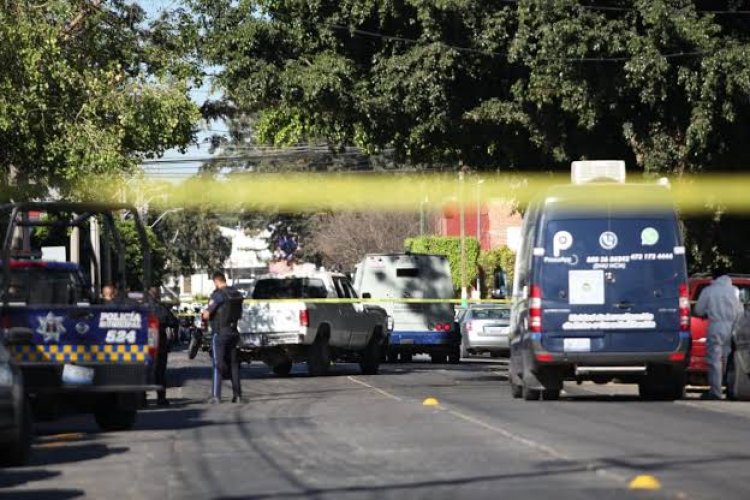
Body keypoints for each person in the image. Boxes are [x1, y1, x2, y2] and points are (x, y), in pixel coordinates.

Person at [695, 269, 744, 400]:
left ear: (714, 277)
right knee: (729, 360)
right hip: (733, 326)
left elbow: (698, 310)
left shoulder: (709, 291)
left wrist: (707, 312)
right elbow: (741, 311)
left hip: (716, 325)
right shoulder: (735, 291)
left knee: (714, 360)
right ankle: (731, 389)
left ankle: (715, 391)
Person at [202, 272, 244, 404]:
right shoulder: (236, 293)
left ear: (216, 281)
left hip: (220, 333)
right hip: (234, 332)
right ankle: (237, 396)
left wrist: (204, 313)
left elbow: (208, 314)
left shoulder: (219, 295)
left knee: (217, 363)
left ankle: (216, 396)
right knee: (234, 364)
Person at [149, 286, 179, 406]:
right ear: (158, 296)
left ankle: (141, 398)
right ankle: (161, 398)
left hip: (142, 344)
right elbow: (173, 322)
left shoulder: (141, 307)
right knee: (160, 372)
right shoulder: (161, 308)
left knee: (142, 370)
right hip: (159, 342)